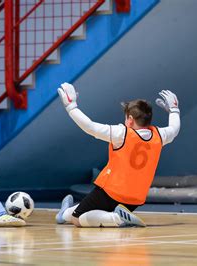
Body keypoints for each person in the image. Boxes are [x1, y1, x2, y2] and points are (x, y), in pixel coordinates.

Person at [54, 82, 180, 227]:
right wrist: (174, 110)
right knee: (84, 209)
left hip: (110, 191)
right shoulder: (160, 135)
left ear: (130, 120)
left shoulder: (122, 134)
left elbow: (90, 127)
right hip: (134, 199)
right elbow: (174, 129)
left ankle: (116, 218)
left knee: (78, 219)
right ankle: (63, 214)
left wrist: (71, 107)